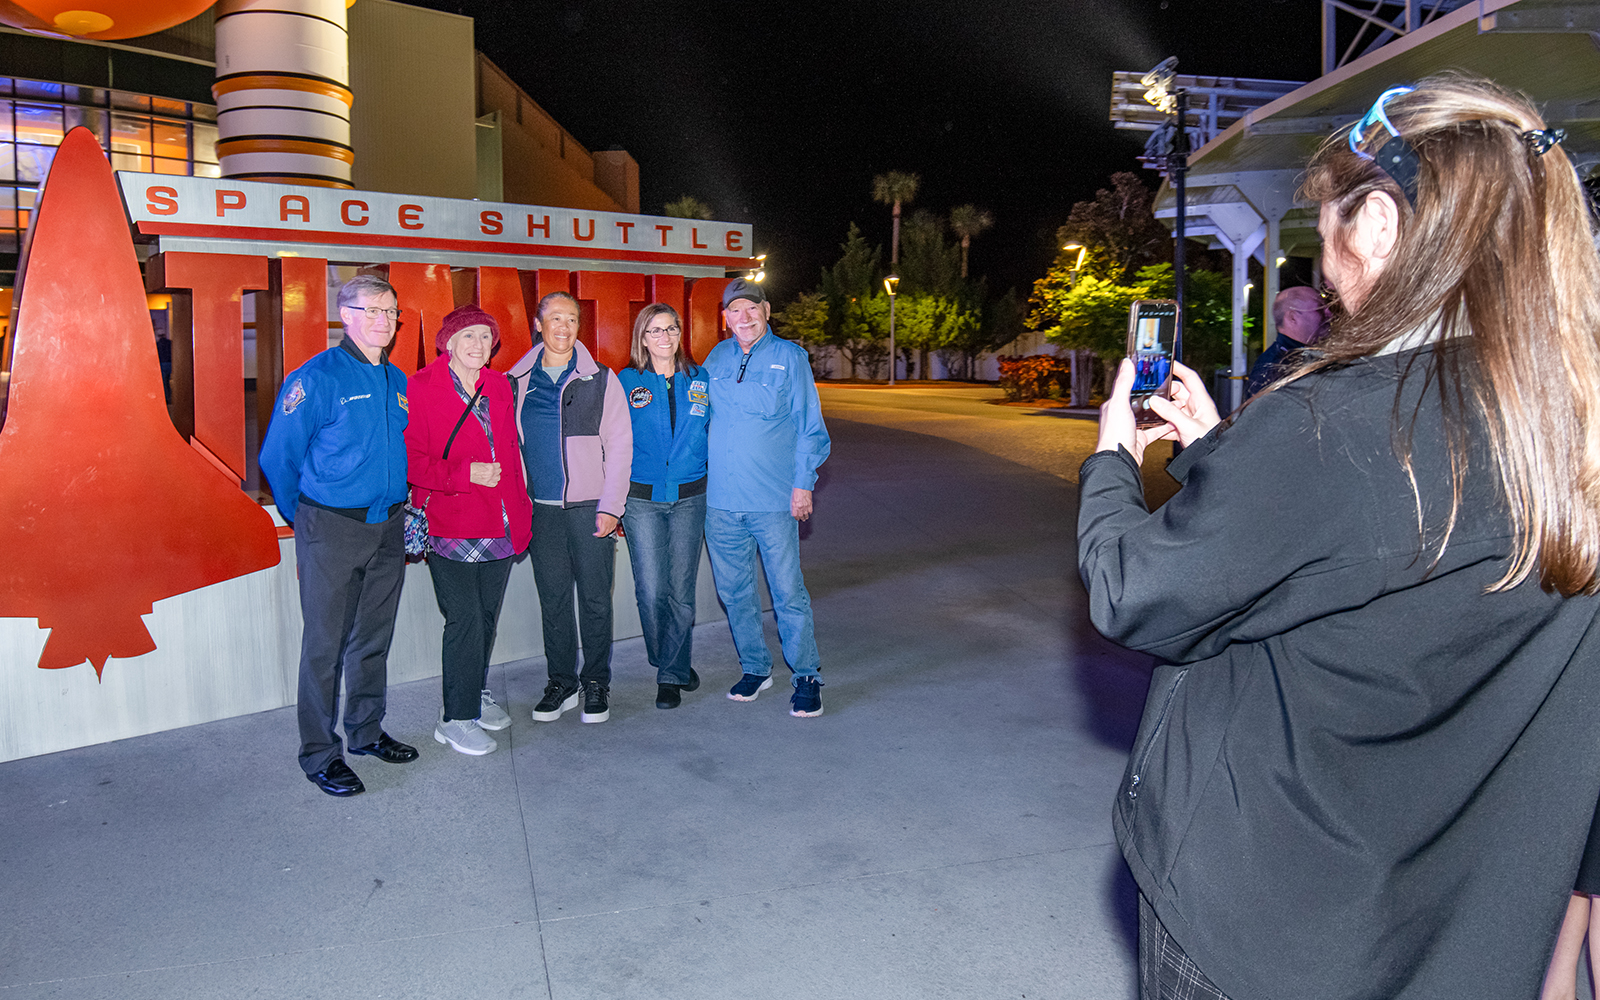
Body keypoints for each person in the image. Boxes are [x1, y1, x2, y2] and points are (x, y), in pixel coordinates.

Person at [1078, 75, 1600, 999]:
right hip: (1457, 942)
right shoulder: (1571, 426)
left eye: (1327, 240)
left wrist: (1114, 461)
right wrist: (1227, 452)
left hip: (1272, 930)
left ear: (1385, 231)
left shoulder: (1343, 423)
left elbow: (1136, 590)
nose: (1326, 275)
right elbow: (1366, 545)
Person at [260, 274, 418, 797]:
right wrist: (304, 518)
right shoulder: (318, 378)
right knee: (324, 646)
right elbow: (277, 458)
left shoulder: (397, 380)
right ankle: (319, 753)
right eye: (370, 310)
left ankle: (366, 732)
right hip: (332, 527)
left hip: (388, 527)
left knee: (372, 640)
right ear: (344, 315)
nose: (383, 320)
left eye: (390, 311)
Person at [405, 305, 533, 756]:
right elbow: (412, 460)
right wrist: (465, 474)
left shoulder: (500, 385)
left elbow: (511, 456)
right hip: (450, 523)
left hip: (499, 522)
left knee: (485, 618)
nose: (479, 346)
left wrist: (521, 510)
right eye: (469, 337)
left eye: (485, 337)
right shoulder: (420, 387)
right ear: (449, 343)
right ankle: (454, 718)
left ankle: (473, 692)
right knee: (463, 620)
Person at [703, 278, 831, 717]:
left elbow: (810, 427)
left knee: (787, 591)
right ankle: (756, 666)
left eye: (751, 308)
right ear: (725, 318)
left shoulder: (790, 358)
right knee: (735, 592)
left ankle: (806, 673)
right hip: (720, 501)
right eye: (735, 310)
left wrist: (803, 484)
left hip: (773, 499)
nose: (744, 317)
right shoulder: (715, 358)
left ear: (766, 310)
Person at [508, 291, 631, 724]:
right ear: (538, 325)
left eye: (572, 319)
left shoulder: (601, 379)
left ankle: (596, 681)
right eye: (555, 318)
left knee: (596, 600)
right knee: (554, 601)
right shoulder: (516, 381)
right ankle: (561, 682)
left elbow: (619, 447)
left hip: (589, 509)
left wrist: (611, 506)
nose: (564, 327)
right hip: (540, 511)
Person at [617, 304, 711, 710]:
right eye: (654, 331)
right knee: (652, 589)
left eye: (671, 328)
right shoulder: (626, 381)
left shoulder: (700, 378)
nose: (664, 337)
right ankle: (667, 655)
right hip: (642, 499)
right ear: (642, 337)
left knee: (681, 593)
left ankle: (670, 675)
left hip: (691, 497)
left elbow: (717, 429)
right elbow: (612, 441)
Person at [1243, 285, 1332, 396]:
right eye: (1320, 310)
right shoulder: (1275, 367)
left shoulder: (1294, 357)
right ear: (1292, 317)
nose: (1329, 314)